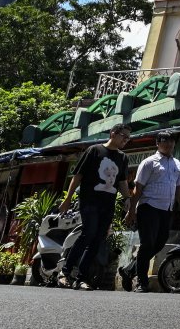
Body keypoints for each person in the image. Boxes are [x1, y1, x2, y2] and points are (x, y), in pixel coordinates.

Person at [58, 124, 132, 289]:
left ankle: (81, 278)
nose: (125, 140)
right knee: (88, 233)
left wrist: (128, 198)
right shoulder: (94, 150)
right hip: (89, 201)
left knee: (98, 239)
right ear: (113, 133)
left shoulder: (123, 158)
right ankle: (65, 271)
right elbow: (78, 175)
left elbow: (122, 182)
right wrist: (68, 198)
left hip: (108, 204)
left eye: (128, 138)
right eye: (123, 136)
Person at [121, 130, 180, 292]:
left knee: (159, 243)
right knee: (147, 244)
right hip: (148, 207)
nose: (169, 144)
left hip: (167, 209)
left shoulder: (177, 163)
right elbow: (138, 188)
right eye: (165, 141)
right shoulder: (149, 162)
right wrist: (131, 211)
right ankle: (141, 282)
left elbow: (179, 186)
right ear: (157, 144)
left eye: (171, 141)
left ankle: (129, 270)